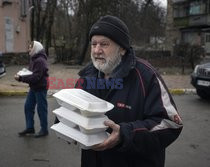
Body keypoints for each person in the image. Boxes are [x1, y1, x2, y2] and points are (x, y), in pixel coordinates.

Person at [76, 15, 183, 167]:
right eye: (93, 44)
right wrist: (67, 121)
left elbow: (170, 124)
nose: (97, 50)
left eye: (104, 44)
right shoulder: (86, 77)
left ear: (122, 49)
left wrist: (124, 135)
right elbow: (73, 110)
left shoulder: (146, 76)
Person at [15, 41, 49, 138]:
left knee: (41, 109)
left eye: (30, 47)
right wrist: (22, 73)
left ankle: (44, 130)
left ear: (35, 48)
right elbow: (31, 73)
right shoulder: (34, 58)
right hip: (34, 87)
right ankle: (30, 128)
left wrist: (21, 78)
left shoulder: (40, 61)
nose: (28, 49)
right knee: (28, 107)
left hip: (40, 87)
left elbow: (35, 77)